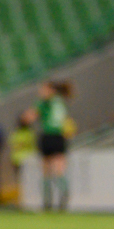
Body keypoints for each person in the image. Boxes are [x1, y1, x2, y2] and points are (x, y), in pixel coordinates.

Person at [37, 80, 73, 211]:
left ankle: (47, 203)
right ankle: (63, 194)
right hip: (60, 137)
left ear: (50, 90)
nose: (41, 92)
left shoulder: (44, 103)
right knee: (59, 170)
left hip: (48, 136)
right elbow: (67, 121)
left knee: (46, 171)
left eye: (43, 90)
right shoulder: (62, 101)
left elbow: (32, 116)